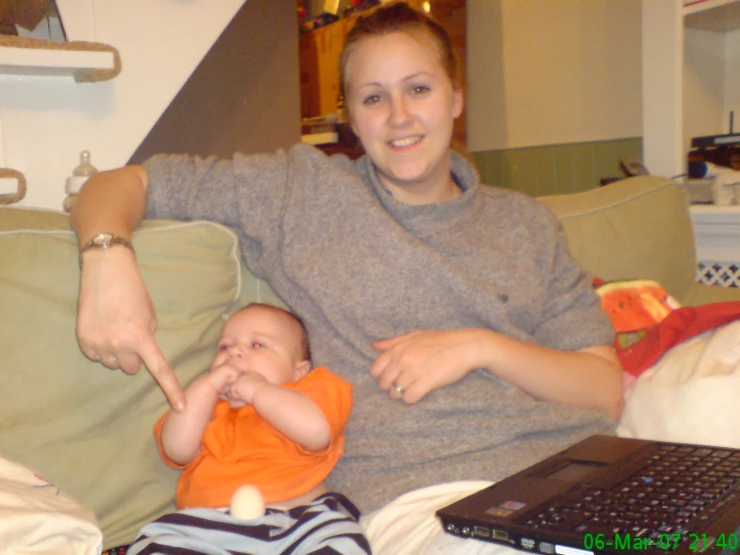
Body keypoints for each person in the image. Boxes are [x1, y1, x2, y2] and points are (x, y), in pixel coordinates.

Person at [71, 0, 622, 522]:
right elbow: (123, 184)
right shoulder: (303, 192)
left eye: (419, 89)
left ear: (456, 97)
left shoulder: (526, 224)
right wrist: (105, 260)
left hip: (580, 470)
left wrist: (481, 347)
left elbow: (603, 388)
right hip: (430, 500)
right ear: (351, 116)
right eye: (374, 98)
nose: (399, 117)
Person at [127, 302, 371, 554]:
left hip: (298, 523)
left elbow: (316, 432)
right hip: (207, 529)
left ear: (299, 370)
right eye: (225, 347)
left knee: (342, 539)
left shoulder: (310, 391)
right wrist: (207, 386)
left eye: (257, 345)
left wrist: (258, 390)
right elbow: (176, 449)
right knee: (156, 540)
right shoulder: (206, 409)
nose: (234, 353)